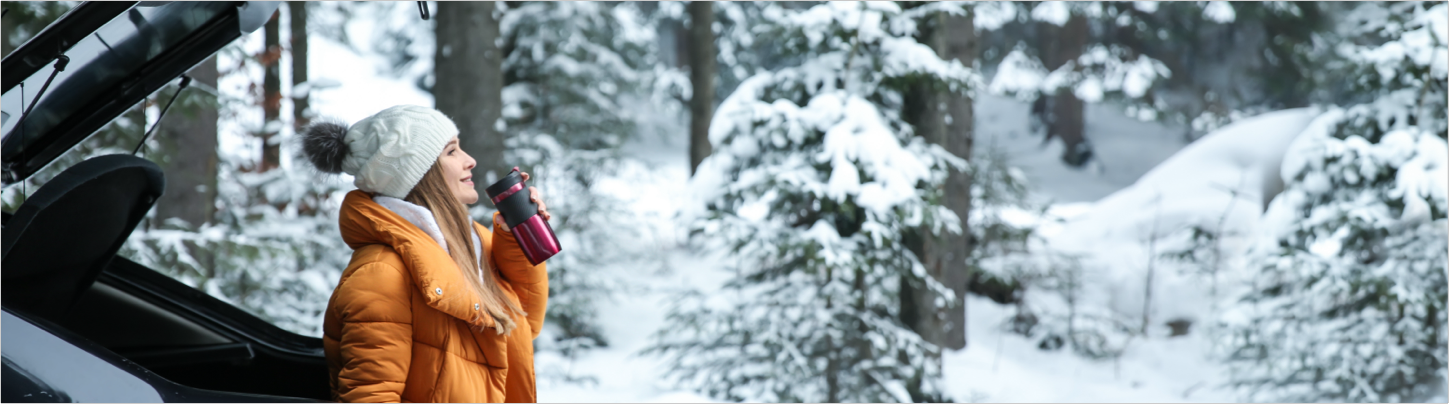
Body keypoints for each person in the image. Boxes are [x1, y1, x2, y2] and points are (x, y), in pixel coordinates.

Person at [300, 105, 550, 403]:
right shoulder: (380, 275)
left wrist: (514, 238)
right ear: (417, 174)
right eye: (451, 151)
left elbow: (524, 326)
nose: (470, 160)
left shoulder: (472, 245)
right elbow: (370, 397)